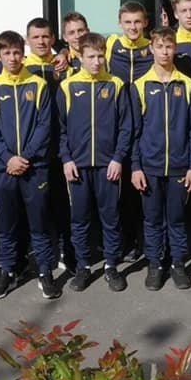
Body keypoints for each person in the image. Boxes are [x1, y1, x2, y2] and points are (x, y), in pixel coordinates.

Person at [0, 30, 61, 300]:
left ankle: (45, 272)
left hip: (34, 167)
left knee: (39, 224)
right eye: (7, 53)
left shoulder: (37, 84)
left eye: (17, 52)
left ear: (23, 53)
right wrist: (8, 158)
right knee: (7, 226)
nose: (13, 58)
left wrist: (24, 157)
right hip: (3, 168)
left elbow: (44, 126)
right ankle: (8, 270)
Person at [58, 33, 133, 292]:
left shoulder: (115, 85)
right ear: (79, 56)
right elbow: (60, 129)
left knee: (110, 218)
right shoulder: (68, 86)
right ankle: (83, 266)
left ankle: (111, 266)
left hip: (107, 166)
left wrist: (118, 158)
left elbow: (126, 126)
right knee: (79, 220)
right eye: (91, 56)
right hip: (77, 167)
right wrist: (66, 159)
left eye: (101, 56)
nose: (97, 62)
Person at [130, 27, 191, 290]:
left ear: (175, 49)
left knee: (177, 218)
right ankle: (155, 264)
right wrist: (135, 167)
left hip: (180, 167)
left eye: (169, 46)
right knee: (152, 219)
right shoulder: (140, 85)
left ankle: (178, 264)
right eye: (159, 46)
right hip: (149, 167)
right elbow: (134, 131)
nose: (164, 52)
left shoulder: (188, 85)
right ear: (151, 48)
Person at [25, 18, 75, 274]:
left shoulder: (65, 67)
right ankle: (32, 257)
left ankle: (68, 251)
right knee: (36, 207)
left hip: (62, 146)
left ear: (53, 39)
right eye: (36, 37)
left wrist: (64, 53)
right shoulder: (23, 69)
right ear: (28, 40)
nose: (41, 41)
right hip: (34, 150)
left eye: (45, 36)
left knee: (63, 203)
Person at [105, 1, 153, 262]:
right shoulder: (112, 44)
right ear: (119, 24)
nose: (133, 27)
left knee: (146, 187)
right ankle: (127, 241)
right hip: (120, 125)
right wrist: (65, 53)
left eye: (137, 22)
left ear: (145, 23)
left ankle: (149, 241)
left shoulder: (152, 46)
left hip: (148, 124)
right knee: (122, 190)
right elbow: (83, 50)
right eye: (128, 22)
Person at [62, 12, 90, 76]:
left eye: (81, 31)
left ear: (88, 32)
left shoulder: (101, 56)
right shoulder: (61, 61)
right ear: (65, 37)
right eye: (71, 33)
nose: (77, 36)